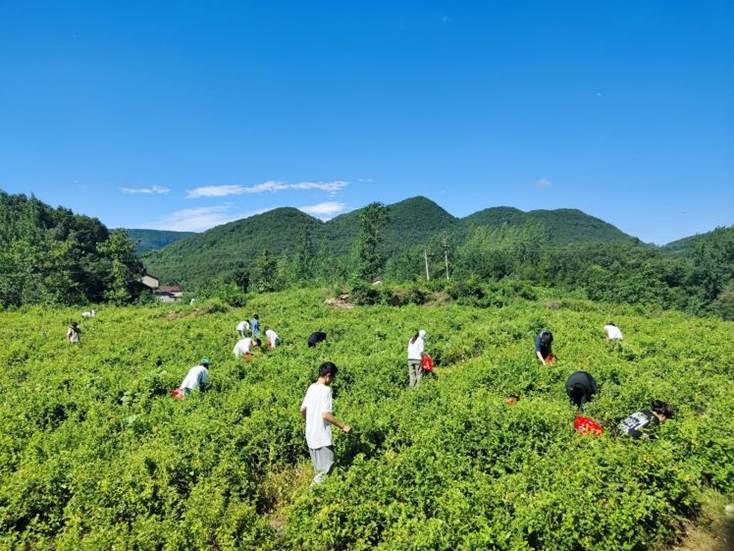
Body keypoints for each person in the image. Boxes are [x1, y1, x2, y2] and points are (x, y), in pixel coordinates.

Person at [300, 362, 351, 484]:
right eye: (333, 377)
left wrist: (311, 421)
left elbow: (302, 410)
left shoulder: (311, 387)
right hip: (321, 437)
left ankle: (317, 495)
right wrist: (343, 426)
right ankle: (310, 496)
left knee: (320, 470)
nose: (333, 380)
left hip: (310, 435)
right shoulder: (326, 390)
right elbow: (326, 415)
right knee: (327, 467)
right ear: (328, 376)